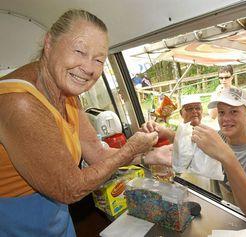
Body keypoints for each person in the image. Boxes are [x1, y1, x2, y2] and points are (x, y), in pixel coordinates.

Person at [0, 9, 170, 237]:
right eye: (80, 51)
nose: (89, 68)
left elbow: (98, 153)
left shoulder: (67, 93)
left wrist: (148, 156)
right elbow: (68, 188)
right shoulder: (19, 103)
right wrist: (131, 148)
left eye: (99, 60)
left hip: (57, 220)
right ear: (49, 43)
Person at [191, 88, 246, 223]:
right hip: (226, 218)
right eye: (221, 112)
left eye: (233, 112)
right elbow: (189, 140)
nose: (226, 119)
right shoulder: (218, 137)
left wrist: (227, 157)